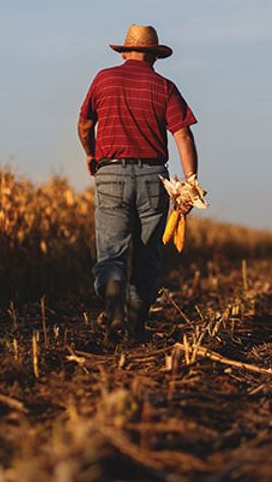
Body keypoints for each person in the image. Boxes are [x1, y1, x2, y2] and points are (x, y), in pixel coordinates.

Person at [77, 24, 199, 341]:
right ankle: (135, 326)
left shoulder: (103, 79)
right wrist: (190, 183)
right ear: (154, 56)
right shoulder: (164, 87)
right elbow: (183, 135)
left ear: (125, 52)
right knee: (148, 255)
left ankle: (115, 312)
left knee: (111, 252)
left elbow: (85, 124)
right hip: (153, 179)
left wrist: (91, 153)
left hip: (110, 173)